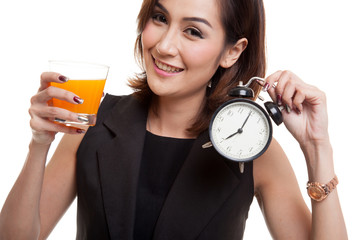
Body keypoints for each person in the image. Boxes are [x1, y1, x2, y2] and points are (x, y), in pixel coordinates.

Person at [0, 0, 348, 239]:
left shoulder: (255, 151)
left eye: (193, 31)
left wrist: (318, 148)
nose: (164, 46)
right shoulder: (92, 123)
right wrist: (38, 144)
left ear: (233, 51)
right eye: (160, 17)